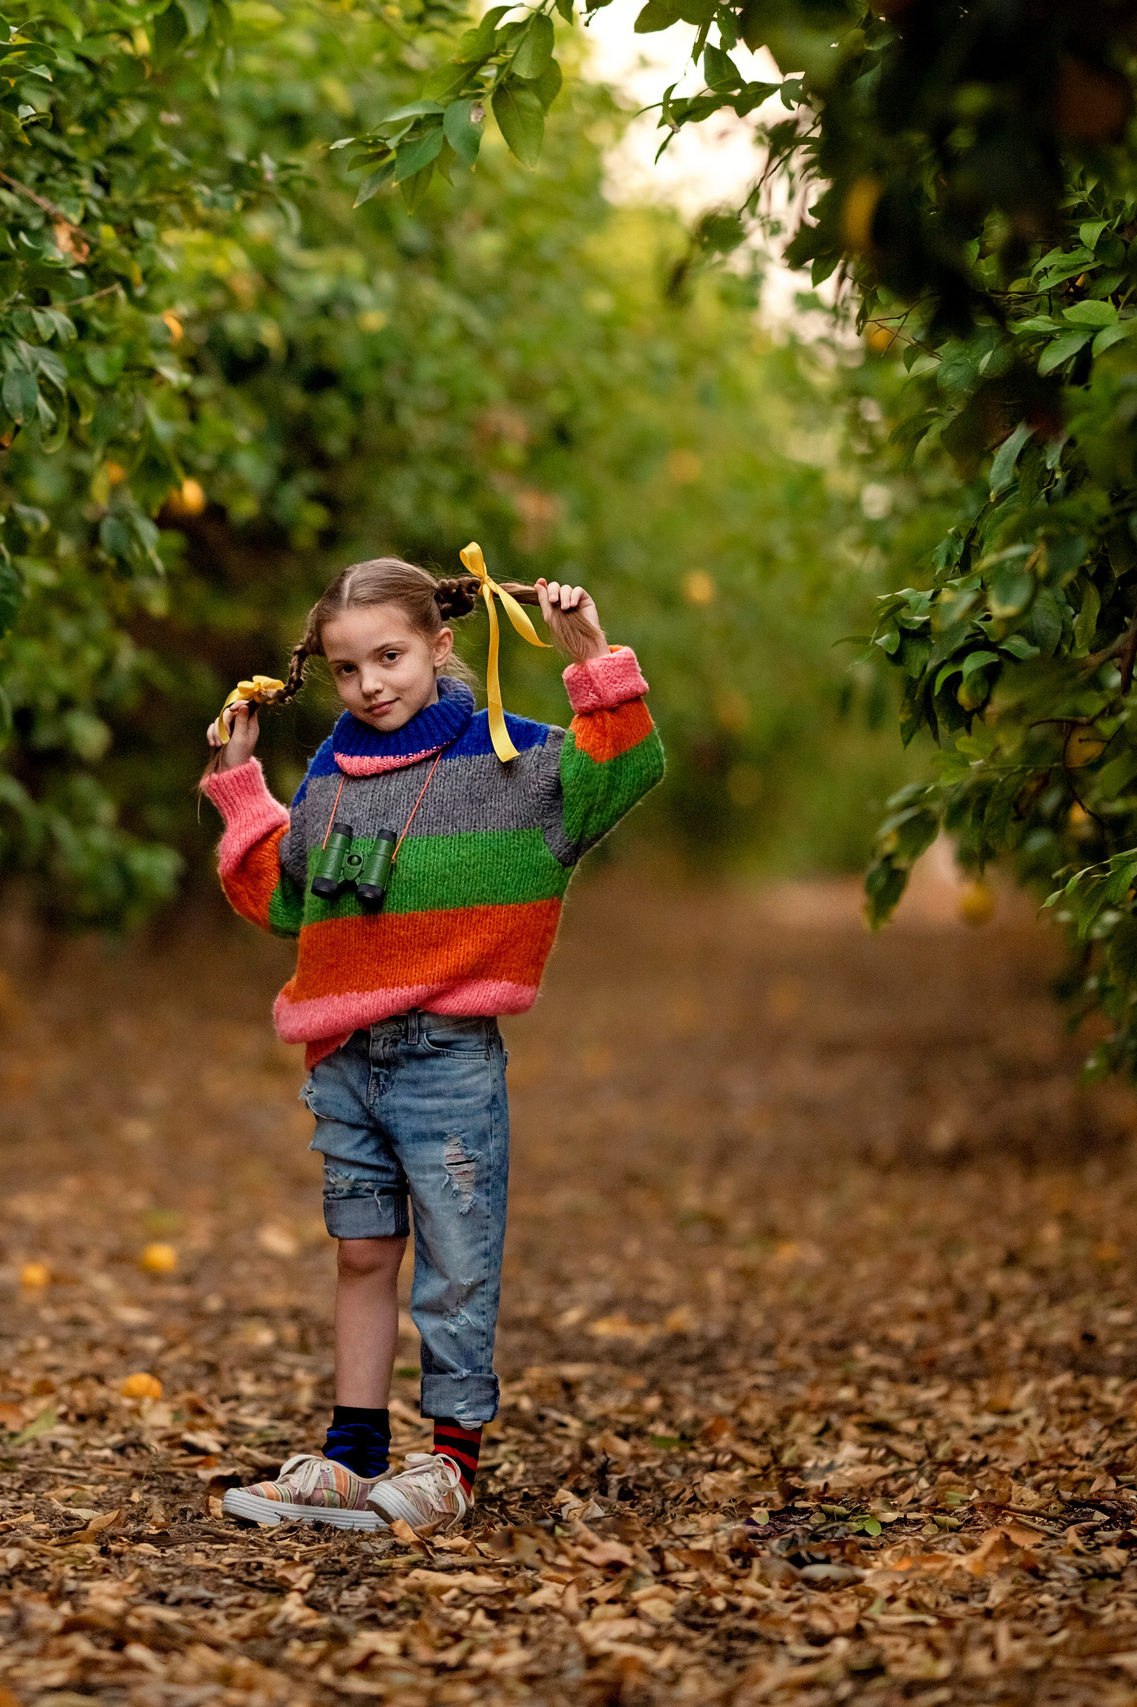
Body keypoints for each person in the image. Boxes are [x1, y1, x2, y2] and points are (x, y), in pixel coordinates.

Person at [201, 550, 662, 1535]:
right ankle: (351, 1457)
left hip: (445, 1063)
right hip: (344, 1064)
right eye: (348, 668)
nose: (370, 685)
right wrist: (240, 783)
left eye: (391, 658)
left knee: (453, 1265)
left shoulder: (511, 759)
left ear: (441, 645)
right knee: (363, 1256)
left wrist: (589, 654)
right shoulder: (329, 777)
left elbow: (618, 771)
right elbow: (286, 901)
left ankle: (450, 1461)